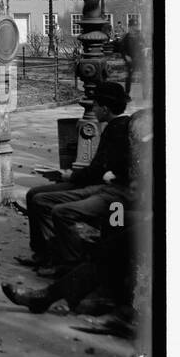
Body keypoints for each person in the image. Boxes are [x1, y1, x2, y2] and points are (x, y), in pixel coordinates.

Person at [18, 81, 132, 274]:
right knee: (34, 195)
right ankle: (44, 253)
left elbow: (99, 171)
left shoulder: (117, 130)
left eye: (95, 105)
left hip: (98, 187)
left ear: (104, 108)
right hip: (97, 183)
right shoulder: (114, 125)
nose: (93, 109)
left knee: (39, 198)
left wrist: (69, 175)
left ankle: (55, 257)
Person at [120, 28, 144, 101]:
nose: (132, 29)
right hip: (130, 60)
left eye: (134, 26)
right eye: (132, 27)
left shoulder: (140, 36)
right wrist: (125, 56)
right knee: (129, 77)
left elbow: (144, 46)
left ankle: (146, 94)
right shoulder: (126, 37)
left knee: (145, 76)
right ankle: (127, 95)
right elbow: (121, 48)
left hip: (139, 59)